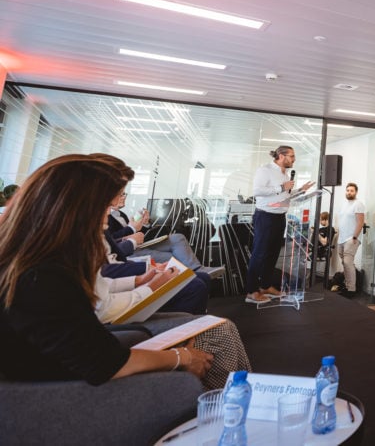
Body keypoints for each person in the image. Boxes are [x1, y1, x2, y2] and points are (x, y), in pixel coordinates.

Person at [0, 153, 250, 391]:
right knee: (218, 336)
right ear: (76, 211)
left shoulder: (37, 265)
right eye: (103, 207)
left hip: (69, 374)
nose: (106, 218)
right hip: (58, 394)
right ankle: (222, 412)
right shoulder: (41, 279)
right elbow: (106, 363)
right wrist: (180, 357)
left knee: (219, 329)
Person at [246, 145, 313, 304]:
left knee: (273, 254)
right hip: (265, 216)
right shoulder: (265, 170)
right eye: (292, 156)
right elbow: (257, 191)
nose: (294, 159)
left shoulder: (285, 174)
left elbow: (284, 196)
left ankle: (265, 286)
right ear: (281, 156)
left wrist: (300, 191)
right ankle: (251, 291)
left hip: (279, 217)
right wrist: (282, 187)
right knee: (260, 254)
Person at [335, 183, 366, 298]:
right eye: (347, 190)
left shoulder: (358, 204)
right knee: (345, 263)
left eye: (352, 191)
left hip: (351, 238)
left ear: (356, 192)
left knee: (348, 262)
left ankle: (351, 289)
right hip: (342, 238)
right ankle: (347, 286)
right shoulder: (344, 204)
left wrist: (355, 237)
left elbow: (360, 222)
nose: (349, 192)